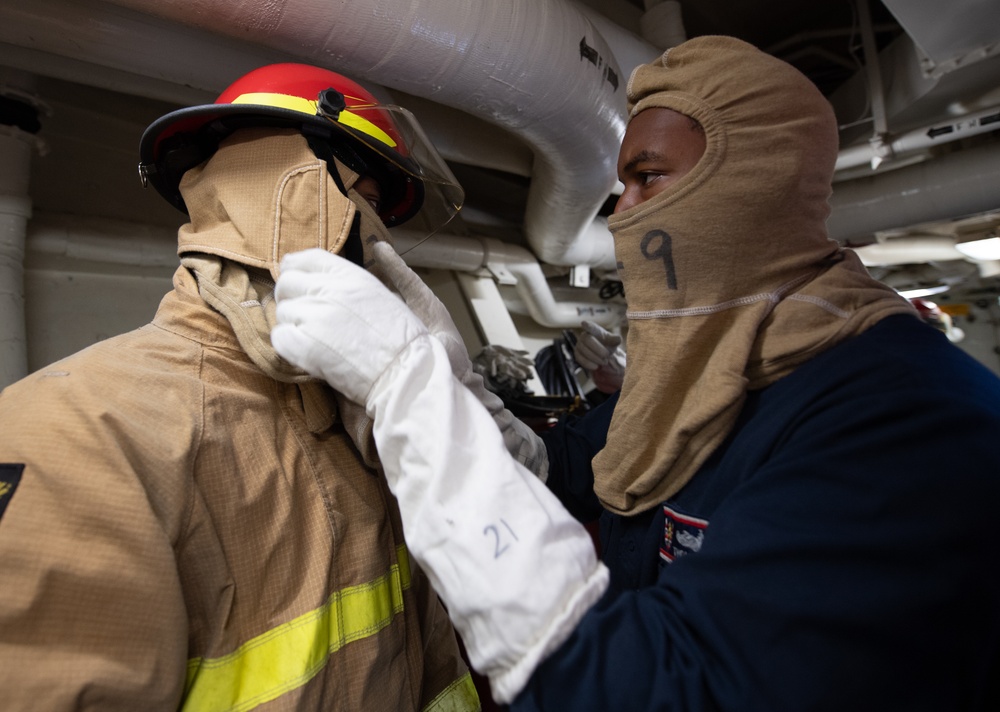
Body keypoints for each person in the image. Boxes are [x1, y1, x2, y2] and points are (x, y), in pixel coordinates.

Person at [268, 36, 1000, 711]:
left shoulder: (908, 420)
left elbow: (657, 687)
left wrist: (412, 395)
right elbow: (567, 467)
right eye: (623, 186)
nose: (623, 216)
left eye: (650, 177)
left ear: (753, 183)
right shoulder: (706, 374)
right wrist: (452, 381)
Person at [0, 63, 482, 711]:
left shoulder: (370, 420)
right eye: (368, 206)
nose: (383, 247)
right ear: (307, 197)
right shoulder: (73, 434)